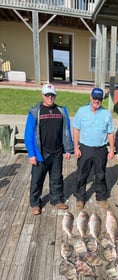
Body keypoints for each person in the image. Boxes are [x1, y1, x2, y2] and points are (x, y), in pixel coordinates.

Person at [24, 83, 73, 215]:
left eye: (52, 95)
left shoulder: (61, 111)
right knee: (37, 180)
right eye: (47, 95)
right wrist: (31, 154)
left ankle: (56, 199)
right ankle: (35, 203)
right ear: (43, 95)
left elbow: (66, 131)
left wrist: (68, 149)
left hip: (57, 152)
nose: (50, 97)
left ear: (55, 96)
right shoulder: (35, 112)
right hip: (41, 153)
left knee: (56, 178)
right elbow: (28, 134)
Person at [73, 87, 115, 210]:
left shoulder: (106, 113)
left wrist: (112, 149)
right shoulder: (82, 111)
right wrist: (76, 147)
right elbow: (76, 129)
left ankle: (101, 197)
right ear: (91, 97)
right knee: (81, 174)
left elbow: (110, 132)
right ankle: (80, 198)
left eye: (100, 98)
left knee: (100, 174)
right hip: (85, 148)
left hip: (101, 149)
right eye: (95, 98)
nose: (97, 100)